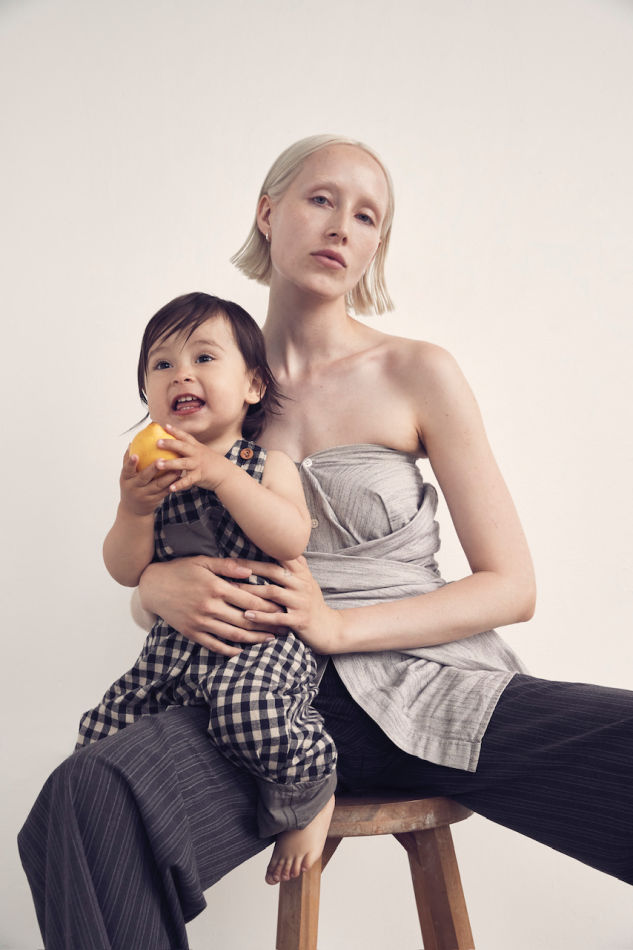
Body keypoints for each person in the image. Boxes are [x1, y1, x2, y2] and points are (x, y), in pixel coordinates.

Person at [18, 134, 633, 950]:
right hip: (256, 707)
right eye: (320, 199)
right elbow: (152, 550)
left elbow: (510, 586)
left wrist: (338, 627)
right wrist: (151, 592)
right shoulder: (206, 381)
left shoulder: (417, 371)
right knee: (84, 795)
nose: (342, 225)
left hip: (423, 688)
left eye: (367, 215)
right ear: (267, 214)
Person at [76, 291, 337, 885]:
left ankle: (312, 784)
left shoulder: (266, 464)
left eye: (203, 357)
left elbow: (291, 537)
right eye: (162, 363)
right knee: (103, 730)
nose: (181, 374)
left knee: (249, 710)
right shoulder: (151, 473)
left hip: (259, 641)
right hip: (174, 648)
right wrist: (133, 509)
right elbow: (124, 568)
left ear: (253, 386)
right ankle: (109, 845)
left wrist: (222, 475)